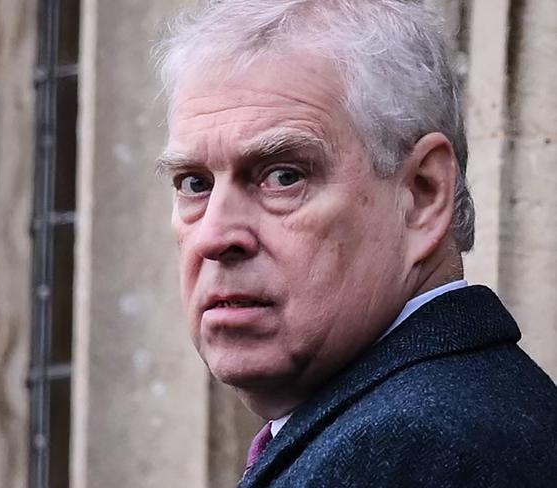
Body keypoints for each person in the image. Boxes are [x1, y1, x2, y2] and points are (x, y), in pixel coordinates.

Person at [155, 1, 557, 486]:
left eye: (283, 176)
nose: (216, 237)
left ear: (423, 194)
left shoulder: (408, 448)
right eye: (195, 184)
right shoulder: (451, 414)